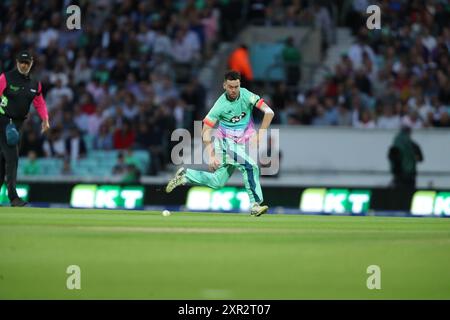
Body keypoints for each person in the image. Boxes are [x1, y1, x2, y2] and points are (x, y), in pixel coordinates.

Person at [165, 71, 275, 216]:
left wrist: (260, 134)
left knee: (217, 182)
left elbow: (269, 112)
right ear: (224, 85)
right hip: (225, 143)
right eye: (230, 86)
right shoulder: (219, 105)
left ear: (240, 85)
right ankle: (255, 204)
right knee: (250, 166)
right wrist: (211, 156)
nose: (233, 90)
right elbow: (205, 131)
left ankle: (186, 175)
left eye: (236, 86)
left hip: (238, 144)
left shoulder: (247, 95)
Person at [0, 51, 50, 206]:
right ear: (16, 62)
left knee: (3, 161)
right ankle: (13, 197)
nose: (24, 65)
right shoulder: (5, 78)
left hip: (18, 124)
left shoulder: (35, 84)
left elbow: (39, 102)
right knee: (12, 158)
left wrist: (45, 119)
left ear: (31, 63)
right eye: (21, 62)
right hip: (4, 121)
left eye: (27, 63)